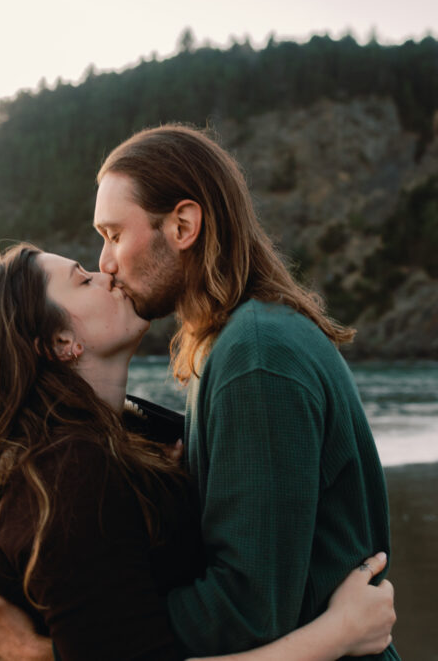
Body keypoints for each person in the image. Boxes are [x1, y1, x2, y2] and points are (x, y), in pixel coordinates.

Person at [0, 244, 396, 661]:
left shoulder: (117, 443)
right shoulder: (66, 470)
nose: (106, 271)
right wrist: (339, 635)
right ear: (62, 340)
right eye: (83, 279)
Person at [94, 124, 401, 659]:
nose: (106, 262)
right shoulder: (242, 342)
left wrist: (74, 637)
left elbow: (246, 612)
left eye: (115, 234)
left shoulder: (255, 358)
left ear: (183, 225)